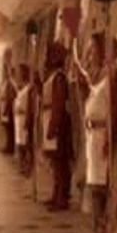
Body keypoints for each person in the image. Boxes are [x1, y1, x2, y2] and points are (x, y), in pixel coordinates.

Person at [75, 33, 117, 233]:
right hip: (93, 134)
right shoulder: (99, 73)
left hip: (105, 133)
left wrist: (110, 137)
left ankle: (110, 231)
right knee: (95, 184)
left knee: (106, 184)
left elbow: (116, 107)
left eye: (94, 49)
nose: (90, 54)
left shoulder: (115, 74)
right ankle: (99, 227)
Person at [40, 43, 73, 212]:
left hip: (57, 123)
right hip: (49, 119)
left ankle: (62, 197)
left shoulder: (59, 78)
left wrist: (54, 125)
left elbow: (58, 103)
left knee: (60, 162)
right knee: (54, 162)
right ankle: (56, 193)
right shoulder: (52, 76)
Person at [13, 63, 35, 177]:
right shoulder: (20, 89)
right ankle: (22, 166)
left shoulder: (29, 89)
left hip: (24, 119)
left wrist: (27, 120)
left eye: (20, 73)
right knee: (20, 144)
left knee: (26, 144)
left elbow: (30, 106)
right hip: (18, 120)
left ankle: (28, 167)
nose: (18, 75)